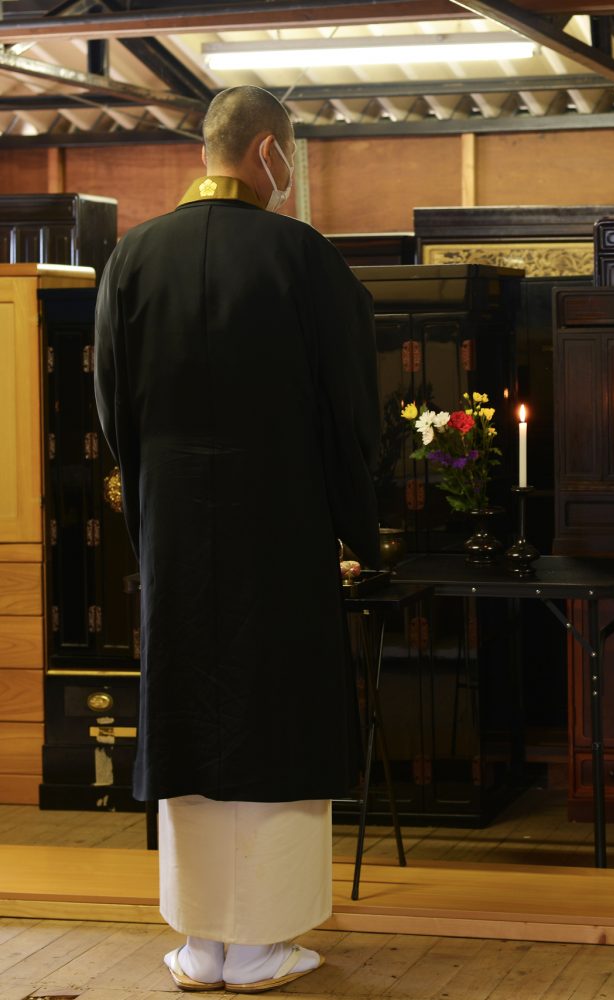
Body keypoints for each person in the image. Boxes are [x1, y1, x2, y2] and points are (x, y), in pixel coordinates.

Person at [95, 86, 380, 993]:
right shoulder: (305, 259)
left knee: (188, 710)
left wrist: (151, 507)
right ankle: (261, 944)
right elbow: (350, 413)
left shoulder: (132, 258)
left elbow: (112, 412)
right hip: (281, 519)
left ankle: (201, 941)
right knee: (276, 709)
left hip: (175, 524)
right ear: (268, 152)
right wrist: (353, 525)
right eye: (290, 152)